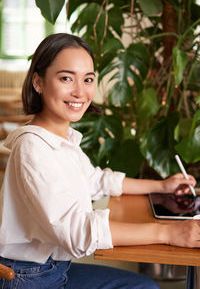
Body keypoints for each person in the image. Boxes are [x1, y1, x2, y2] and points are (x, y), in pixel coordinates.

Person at [0, 33, 198, 289]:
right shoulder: (33, 147)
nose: (80, 91)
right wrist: (170, 233)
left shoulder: (62, 139)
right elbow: (76, 232)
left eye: (88, 79)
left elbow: (96, 180)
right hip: (28, 278)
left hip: (54, 268)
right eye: (66, 78)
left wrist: (162, 186)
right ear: (38, 82)